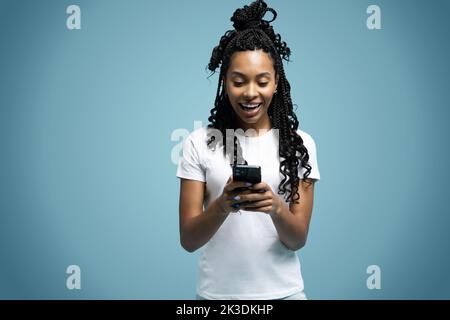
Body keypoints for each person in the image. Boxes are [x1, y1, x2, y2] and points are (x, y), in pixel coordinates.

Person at [176, 0, 320, 300]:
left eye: (262, 81)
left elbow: (298, 239)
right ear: (225, 83)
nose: (251, 93)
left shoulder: (300, 145)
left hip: (285, 294)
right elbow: (189, 240)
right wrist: (222, 205)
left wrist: (275, 207)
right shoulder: (197, 143)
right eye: (238, 81)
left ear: (276, 83)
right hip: (218, 298)